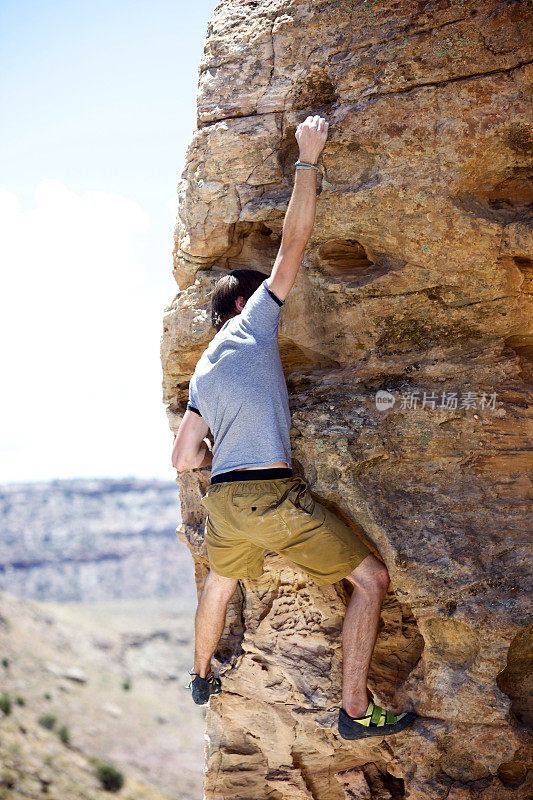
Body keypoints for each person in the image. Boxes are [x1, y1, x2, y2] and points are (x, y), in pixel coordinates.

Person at [172, 115, 416, 740]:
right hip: (266, 494)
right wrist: (308, 157)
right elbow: (294, 246)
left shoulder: (204, 372)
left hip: (224, 499)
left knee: (222, 578)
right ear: (241, 305)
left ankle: (200, 675)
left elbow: (182, 457)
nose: (273, 308)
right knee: (371, 579)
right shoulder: (252, 327)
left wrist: (222, 453)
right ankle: (357, 711)